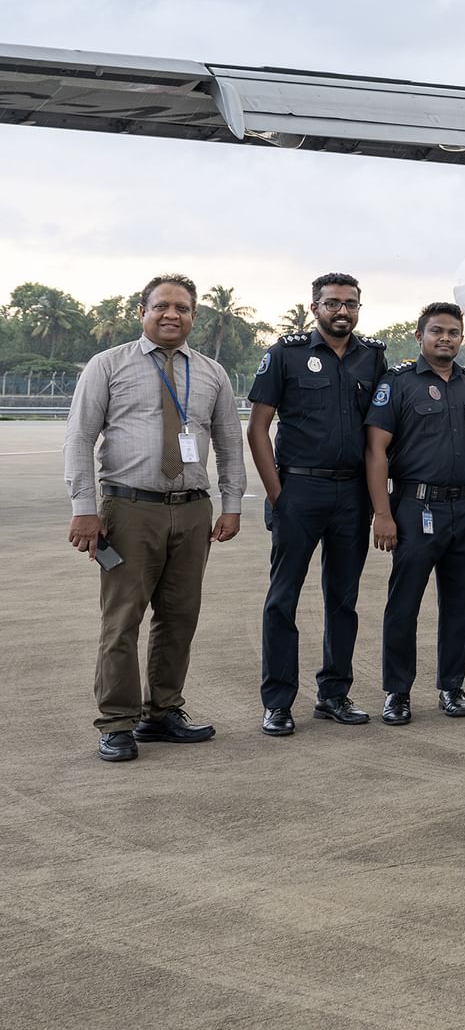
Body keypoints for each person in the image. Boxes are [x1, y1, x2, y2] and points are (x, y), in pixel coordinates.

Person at [63, 275, 244, 762]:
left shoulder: (212, 373)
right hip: (128, 510)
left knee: (179, 617)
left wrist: (232, 504)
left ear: (194, 316)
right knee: (122, 619)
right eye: (161, 305)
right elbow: (79, 438)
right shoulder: (108, 365)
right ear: (142, 311)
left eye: (182, 308)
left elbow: (229, 442)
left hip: (192, 510)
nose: (171, 314)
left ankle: (162, 712)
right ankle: (117, 722)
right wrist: (84, 508)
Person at [247, 273, 389, 737]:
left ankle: (334, 694)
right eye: (332, 303)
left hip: (352, 495)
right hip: (299, 491)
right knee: (282, 599)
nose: (342, 311)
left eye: (350, 303)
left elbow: (380, 430)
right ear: (315, 308)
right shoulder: (285, 354)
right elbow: (258, 428)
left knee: (343, 600)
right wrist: (278, 495)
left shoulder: (373, 357)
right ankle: (277, 702)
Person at [365, 302, 465, 726]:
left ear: (462, 338)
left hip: (464, 509)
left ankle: (452, 686)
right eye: (437, 331)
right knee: (404, 605)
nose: (445, 338)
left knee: (459, 605)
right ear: (420, 336)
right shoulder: (398, 383)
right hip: (415, 508)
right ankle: (397, 692)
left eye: (453, 332)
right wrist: (383, 513)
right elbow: (375, 450)